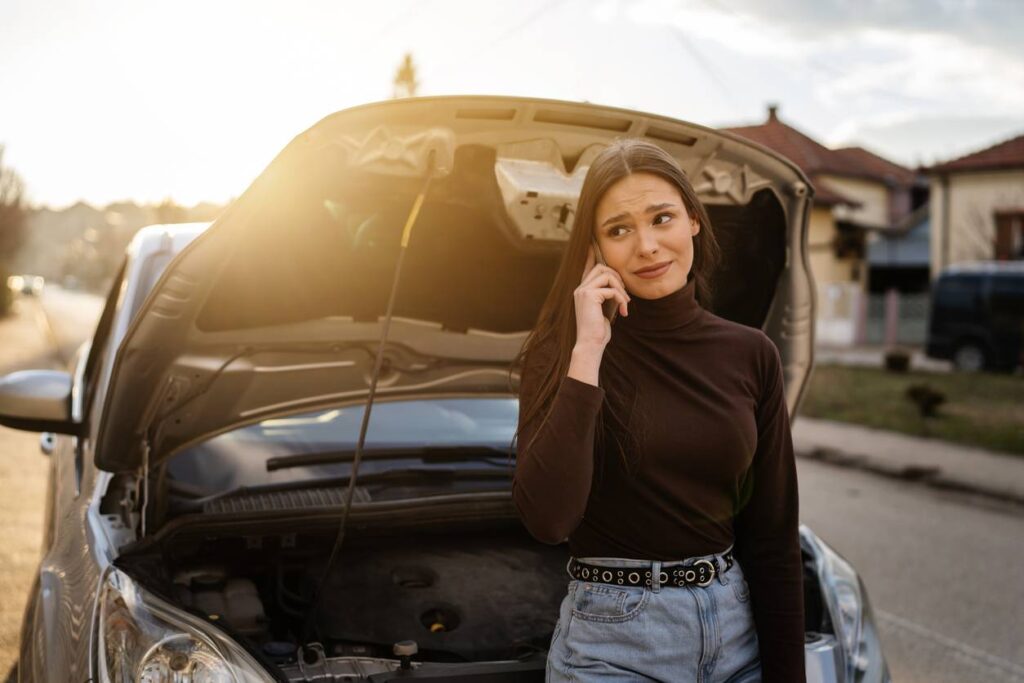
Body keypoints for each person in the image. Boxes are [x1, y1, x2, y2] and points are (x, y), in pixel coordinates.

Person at [512, 138, 805, 682]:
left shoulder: (751, 354)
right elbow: (548, 520)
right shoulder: (565, 354)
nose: (646, 246)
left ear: (693, 220)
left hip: (738, 632)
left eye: (661, 218)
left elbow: (773, 536)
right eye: (619, 229)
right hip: (612, 642)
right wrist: (588, 350)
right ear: (594, 248)